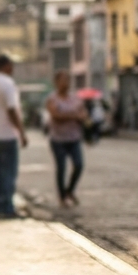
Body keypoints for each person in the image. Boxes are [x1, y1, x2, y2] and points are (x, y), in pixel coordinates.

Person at [0, 54, 29, 219]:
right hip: (7, 134)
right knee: (8, 173)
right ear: (6, 66)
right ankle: (7, 207)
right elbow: (11, 110)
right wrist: (21, 132)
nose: (13, 69)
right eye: (11, 65)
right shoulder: (8, 83)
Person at [45, 71, 87, 208]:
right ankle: (62, 197)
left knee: (79, 164)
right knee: (61, 168)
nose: (66, 83)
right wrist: (74, 116)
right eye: (63, 80)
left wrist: (69, 115)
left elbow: (83, 115)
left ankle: (70, 191)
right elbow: (56, 115)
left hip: (73, 138)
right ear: (56, 82)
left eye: (67, 80)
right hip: (58, 140)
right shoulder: (52, 98)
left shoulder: (75, 99)